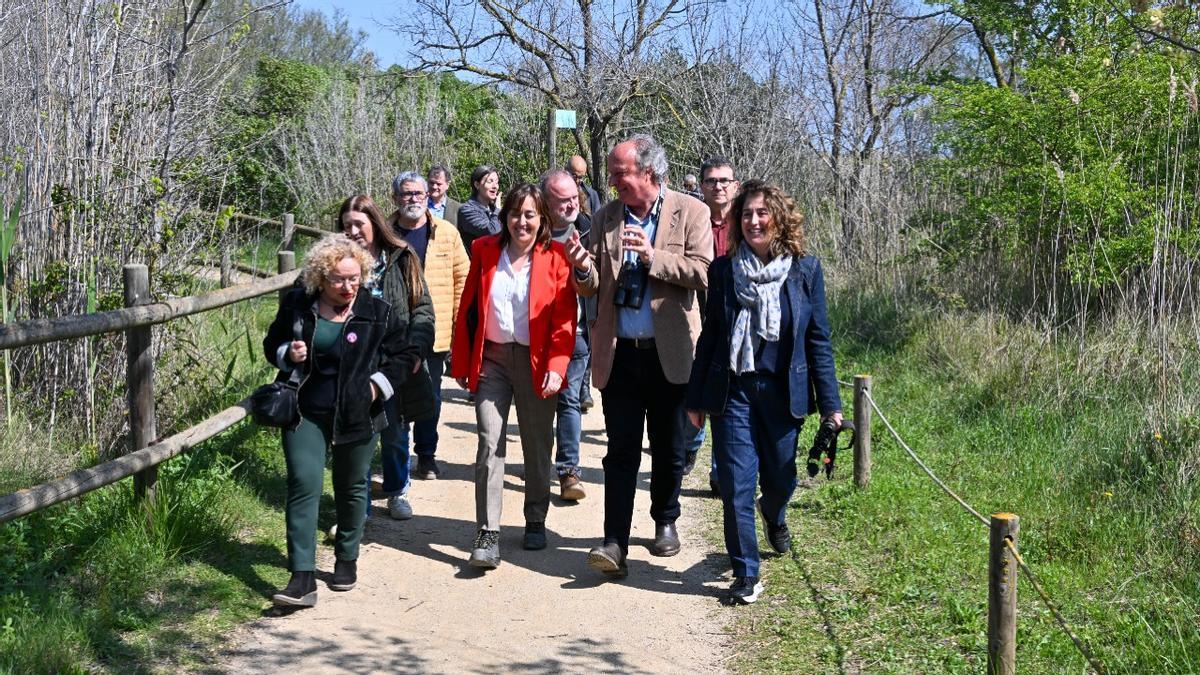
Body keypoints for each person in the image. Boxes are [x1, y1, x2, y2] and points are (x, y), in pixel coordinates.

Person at [685, 180, 844, 605]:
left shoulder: (805, 270)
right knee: (736, 483)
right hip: (733, 390)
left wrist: (832, 405)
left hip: (781, 392)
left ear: (779, 217)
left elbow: (818, 340)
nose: (754, 221)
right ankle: (745, 573)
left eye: (762, 213)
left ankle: (773, 512)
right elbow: (713, 336)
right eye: (746, 214)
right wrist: (697, 397)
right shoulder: (722, 271)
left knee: (781, 477)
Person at [571, 134, 712, 577]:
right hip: (621, 354)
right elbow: (593, 284)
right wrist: (581, 267)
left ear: (647, 173)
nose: (613, 182)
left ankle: (665, 518)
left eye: (620, 174)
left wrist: (655, 258)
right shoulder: (605, 216)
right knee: (621, 451)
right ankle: (614, 541)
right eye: (613, 175)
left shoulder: (692, 211)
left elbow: (703, 273)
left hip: (670, 354)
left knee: (670, 449)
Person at [265, 234, 423, 608]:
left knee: (352, 486)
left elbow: (402, 356)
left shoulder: (377, 311)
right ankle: (301, 577)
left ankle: (346, 557)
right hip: (305, 410)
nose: (348, 286)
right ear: (321, 277)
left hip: (358, 412)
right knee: (304, 484)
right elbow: (273, 343)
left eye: (354, 278)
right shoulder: (298, 304)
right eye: (338, 279)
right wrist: (289, 351)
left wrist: (376, 386)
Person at [451, 183, 580, 569]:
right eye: (514, 214)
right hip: (492, 360)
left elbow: (564, 321)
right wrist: (461, 363)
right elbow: (469, 308)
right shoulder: (485, 251)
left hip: (536, 361)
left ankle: (535, 516)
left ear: (542, 219)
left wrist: (558, 368)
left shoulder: (556, 258)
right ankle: (487, 533)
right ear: (504, 216)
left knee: (537, 444)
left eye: (529, 215)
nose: (521, 222)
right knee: (489, 441)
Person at [341, 194, 435, 521]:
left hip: (394, 360)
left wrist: (418, 348)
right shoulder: (335, 262)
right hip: (353, 363)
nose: (353, 231)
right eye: (346, 225)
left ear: (375, 224)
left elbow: (422, 308)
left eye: (359, 224)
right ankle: (359, 507)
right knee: (358, 435)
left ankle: (397, 490)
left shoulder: (402, 257)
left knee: (394, 433)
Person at [389, 172, 471, 481]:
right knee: (393, 397)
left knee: (429, 397)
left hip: (434, 333)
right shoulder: (386, 231)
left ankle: (426, 455)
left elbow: (463, 278)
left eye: (419, 194)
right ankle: (396, 460)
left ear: (428, 197)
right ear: (396, 197)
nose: (413, 199)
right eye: (407, 194)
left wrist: (458, 322)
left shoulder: (446, 232)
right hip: (394, 330)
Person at [686, 156, 742, 495]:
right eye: (711, 181)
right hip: (697, 313)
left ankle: (720, 470)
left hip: (736, 319)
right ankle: (691, 443)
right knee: (695, 382)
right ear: (702, 187)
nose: (718, 186)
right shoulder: (694, 221)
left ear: (735, 185)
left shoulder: (746, 222)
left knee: (728, 392)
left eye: (724, 181)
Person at [541, 169, 593, 501]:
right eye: (563, 201)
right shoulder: (531, 231)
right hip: (535, 331)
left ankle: (568, 471)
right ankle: (536, 459)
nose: (571, 205)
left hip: (577, 332)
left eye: (574, 197)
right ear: (546, 202)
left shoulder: (589, 229)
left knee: (569, 400)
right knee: (538, 404)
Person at [456, 165, 501, 251]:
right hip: (476, 263)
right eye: (490, 181)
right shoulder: (467, 210)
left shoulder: (492, 209)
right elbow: (492, 232)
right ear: (477, 185)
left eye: (497, 182)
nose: (495, 186)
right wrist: (498, 210)